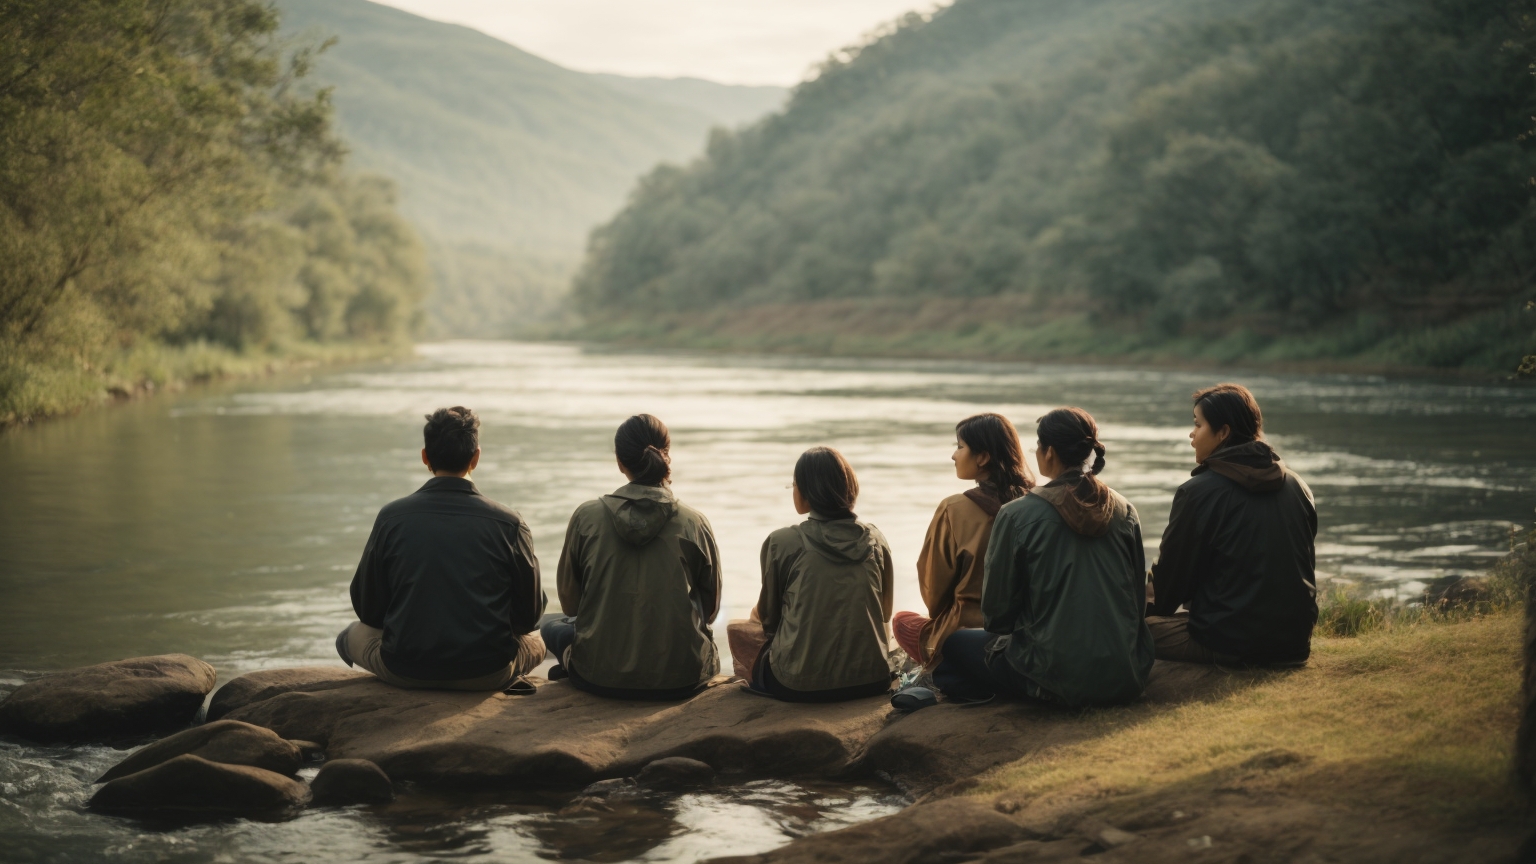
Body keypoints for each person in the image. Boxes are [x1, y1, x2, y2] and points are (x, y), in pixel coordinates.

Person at [927, 407, 1153, 708]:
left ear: (1048, 452)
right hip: (1126, 672)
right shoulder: (1125, 509)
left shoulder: (1018, 514)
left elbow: (996, 615)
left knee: (955, 646)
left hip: (1055, 675)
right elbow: (1137, 599)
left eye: (1038, 445)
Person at [337, 406, 546, 691]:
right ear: (476, 458)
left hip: (405, 670)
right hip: (488, 672)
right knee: (539, 638)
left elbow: (368, 609)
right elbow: (529, 617)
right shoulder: (509, 522)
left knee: (350, 635)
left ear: (425, 457)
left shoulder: (391, 517)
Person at [541, 414, 723, 700]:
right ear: (666, 455)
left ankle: (567, 665)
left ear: (619, 461)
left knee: (551, 625)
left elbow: (571, 604)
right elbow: (710, 610)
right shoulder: (694, 522)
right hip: (681, 677)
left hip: (599, 676)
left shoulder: (586, 517)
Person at [1147, 384, 1318, 666]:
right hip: (1296, 641)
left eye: (1198, 425)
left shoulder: (1197, 492)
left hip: (1231, 642)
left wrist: (1141, 611)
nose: (1191, 435)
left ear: (1223, 432)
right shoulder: (1298, 486)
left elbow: (1169, 584)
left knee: (1129, 629)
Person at [726, 448, 895, 702]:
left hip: (797, 684)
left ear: (805, 493)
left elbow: (770, 621)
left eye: (794, 485)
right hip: (872, 679)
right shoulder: (875, 538)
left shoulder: (783, 541)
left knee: (738, 627)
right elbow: (884, 612)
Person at [891, 413, 1035, 670]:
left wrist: (941, 614)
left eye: (959, 447)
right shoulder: (1036, 505)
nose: (953, 456)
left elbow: (934, 592)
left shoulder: (954, 508)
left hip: (967, 630)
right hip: (1027, 629)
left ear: (983, 457)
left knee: (902, 621)